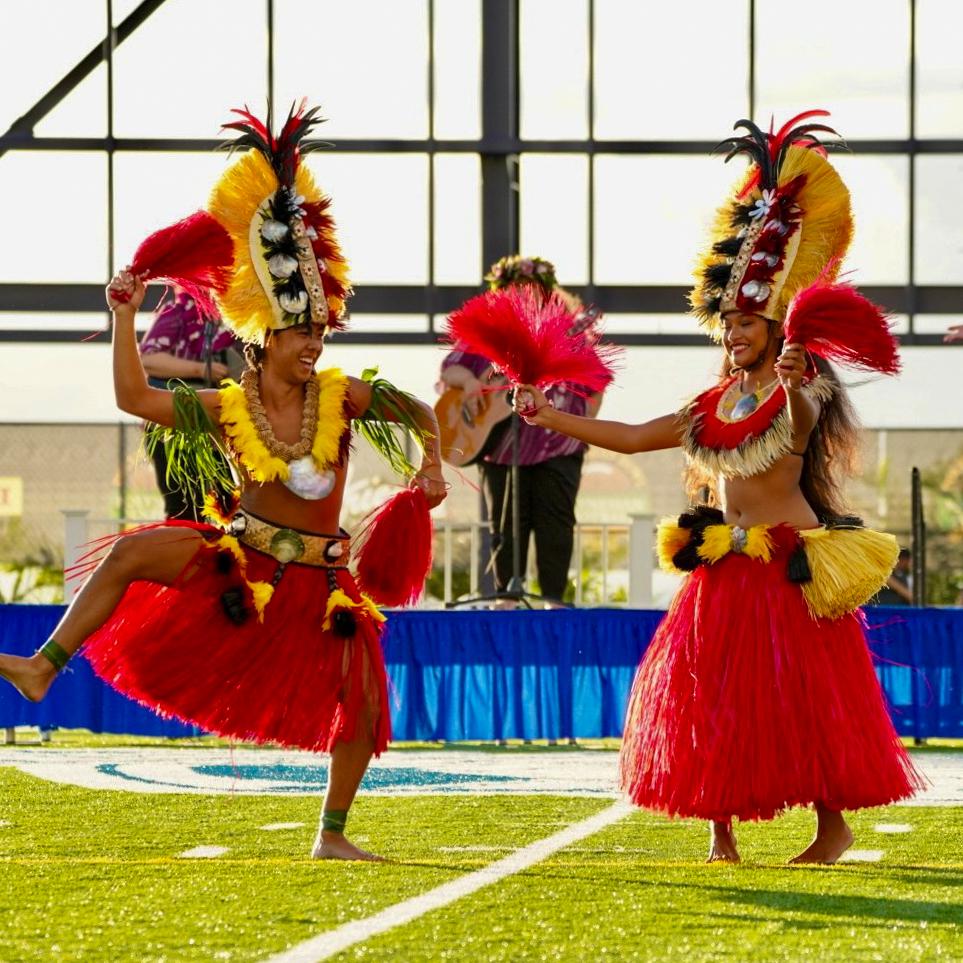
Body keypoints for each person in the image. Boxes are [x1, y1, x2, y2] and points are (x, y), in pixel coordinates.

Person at [0, 104, 447, 861]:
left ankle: (332, 835)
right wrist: (124, 318)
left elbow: (419, 411)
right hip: (240, 565)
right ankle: (44, 666)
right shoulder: (227, 407)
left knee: (367, 705)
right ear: (265, 338)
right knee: (130, 553)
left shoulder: (343, 396)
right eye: (303, 333)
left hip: (317, 580)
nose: (315, 343)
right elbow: (134, 399)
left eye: (320, 332)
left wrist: (429, 465)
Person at [513, 112, 924, 863]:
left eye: (748, 323)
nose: (734, 333)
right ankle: (720, 832)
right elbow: (632, 436)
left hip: (789, 565)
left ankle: (831, 825)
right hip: (724, 566)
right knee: (712, 694)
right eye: (727, 323)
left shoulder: (799, 393)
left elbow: (800, 431)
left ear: (776, 328)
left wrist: (795, 381)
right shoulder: (712, 405)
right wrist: (550, 416)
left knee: (804, 697)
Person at [439, 255, 603, 604]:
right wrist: (469, 382)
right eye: (515, 291)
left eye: (530, 291)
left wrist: (582, 422)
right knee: (505, 525)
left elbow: (596, 382)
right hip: (500, 446)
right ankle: (507, 599)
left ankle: (554, 602)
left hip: (559, 444)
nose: (523, 298)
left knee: (555, 524)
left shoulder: (570, 330)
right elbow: (451, 368)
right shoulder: (486, 331)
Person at [139, 287, 243, 519]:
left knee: (229, 503)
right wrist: (201, 369)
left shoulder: (237, 320)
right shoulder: (175, 313)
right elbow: (148, 358)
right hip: (172, 426)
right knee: (183, 507)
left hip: (219, 426)